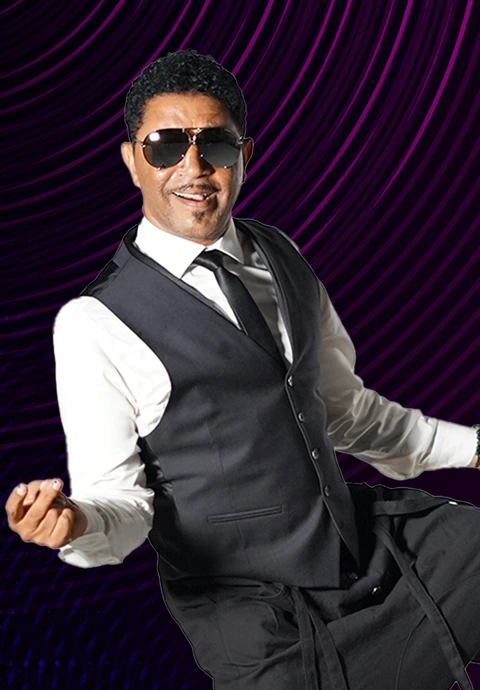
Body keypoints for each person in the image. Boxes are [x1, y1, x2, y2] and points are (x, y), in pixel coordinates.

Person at [5, 49, 480, 690]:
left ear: (245, 154)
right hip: (253, 612)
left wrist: (475, 446)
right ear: (132, 160)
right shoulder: (93, 324)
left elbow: (347, 413)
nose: (193, 167)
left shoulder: (281, 254)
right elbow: (123, 502)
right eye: (165, 146)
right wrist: (76, 522)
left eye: (215, 145)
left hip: (361, 551)